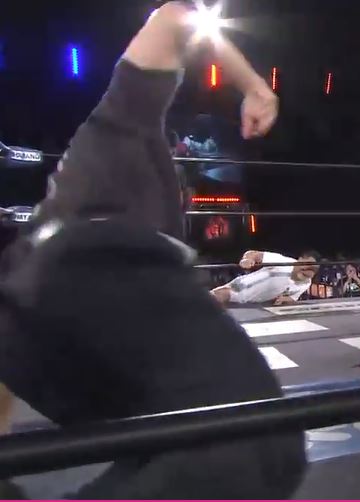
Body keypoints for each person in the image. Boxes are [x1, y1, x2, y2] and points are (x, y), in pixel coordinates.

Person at [0, 2, 304, 498]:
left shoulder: (112, 138)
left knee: (174, 442)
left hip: (42, 315)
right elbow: (175, 16)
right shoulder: (128, 121)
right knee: (258, 437)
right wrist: (255, 86)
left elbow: (15, 323)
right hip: (95, 266)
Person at [211, 249, 318, 306]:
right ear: (300, 260)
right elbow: (253, 254)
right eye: (307, 265)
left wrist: (284, 299)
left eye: (313, 269)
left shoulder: (306, 282)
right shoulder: (283, 262)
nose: (308, 271)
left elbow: (293, 297)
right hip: (240, 289)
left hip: (256, 305)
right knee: (214, 298)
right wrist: (247, 260)